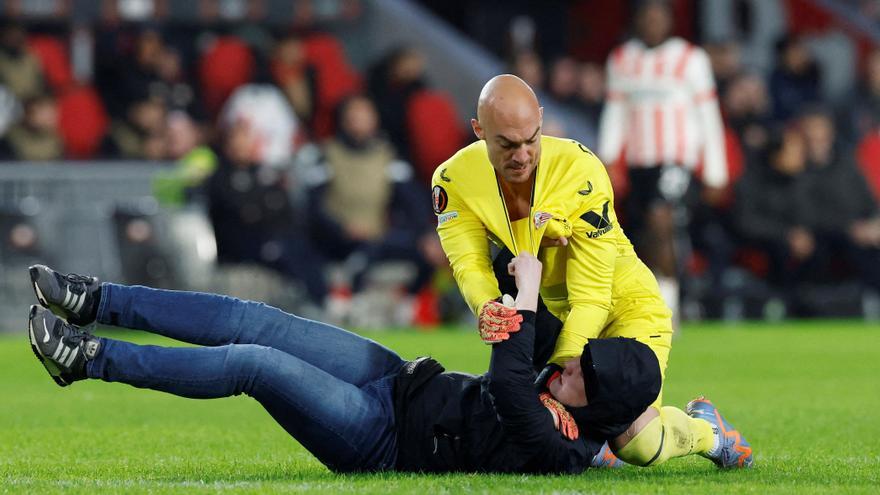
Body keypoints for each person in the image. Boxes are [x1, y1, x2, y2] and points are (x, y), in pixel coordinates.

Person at [26, 256, 675, 474]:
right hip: (400, 377)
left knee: (254, 362)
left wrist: (524, 300)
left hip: (383, 438)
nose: (568, 365)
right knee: (257, 318)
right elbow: (532, 327)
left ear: (602, 410)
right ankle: (96, 299)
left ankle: (87, 358)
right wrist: (524, 266)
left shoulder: (563, 449)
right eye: (581, 359)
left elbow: (509, 383)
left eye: (582, 373)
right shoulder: (574, 384)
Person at [431, 73, 751, 468]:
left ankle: (707, 431)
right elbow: (468, 262)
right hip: (560, 313)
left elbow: (594, 293)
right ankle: (596, 439)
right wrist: (485, 308)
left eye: (532, 140)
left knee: (638, 445)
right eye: (507, 144)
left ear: (542, 122)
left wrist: (554, 377)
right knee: (546, 416)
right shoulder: (452, 179)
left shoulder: (579, 171)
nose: (522, 155)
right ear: (479, 130)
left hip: (625, 307)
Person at [598, 0, 728, 324]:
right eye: (647, 16)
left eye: (659, 16)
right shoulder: (622, 59)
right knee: (645, 234)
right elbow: (616, 114)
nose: (653, 23)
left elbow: (708, 114)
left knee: (661, 220)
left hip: (677, 160)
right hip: (641, 163)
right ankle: (655, 302)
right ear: (637, 20)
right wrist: (608, 159)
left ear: (670, 21)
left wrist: (715, 170)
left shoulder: (690, 59)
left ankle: (668, 310)